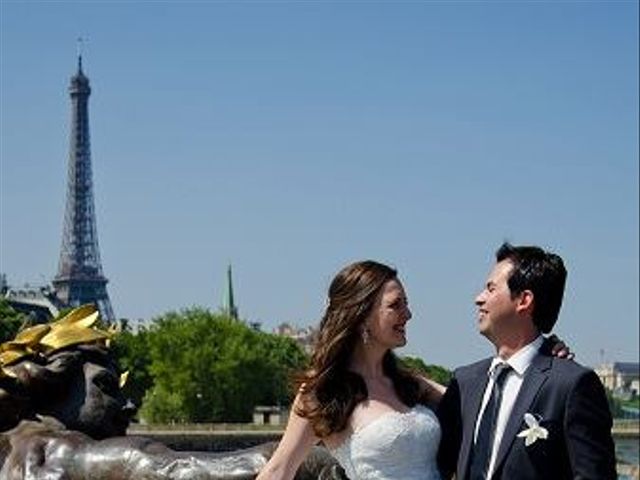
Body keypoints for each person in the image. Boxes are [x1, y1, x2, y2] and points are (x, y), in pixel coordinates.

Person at [256, 259, 572, 480]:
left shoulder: (412, 385)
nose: (409, 314)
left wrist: (544, 359)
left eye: (407, 303)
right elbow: (278, 471)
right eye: (396, 305)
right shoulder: (323, 393)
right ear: (361, 314)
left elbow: (494, 406)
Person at [0, 306, 343, 480]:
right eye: (105, 385)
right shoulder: (53, 450)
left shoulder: (10, 447)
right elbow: (171, 469)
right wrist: (330, 461)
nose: (125, 405)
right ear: (50, 380)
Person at [437, 243, 616, 480]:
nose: (478, 299)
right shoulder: (465, 382)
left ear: (524, 300)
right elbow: (438, 466)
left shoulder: (570, 384)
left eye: (490, 289)